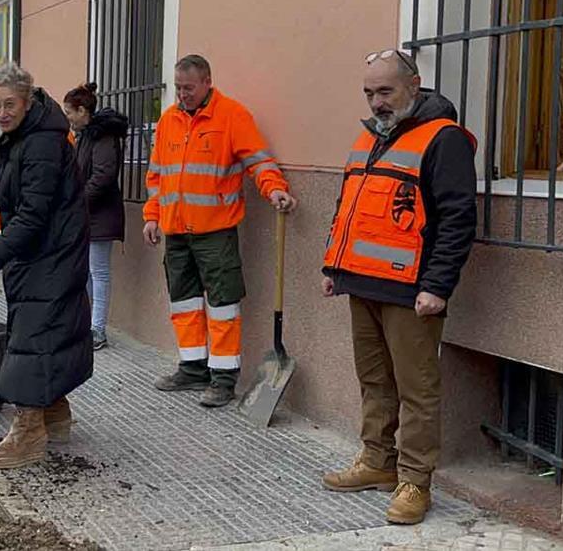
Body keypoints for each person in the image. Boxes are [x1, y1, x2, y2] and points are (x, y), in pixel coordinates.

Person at [320, 49, 477, 526]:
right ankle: (376, 462)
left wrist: (438, 285)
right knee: (374, 381)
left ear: (414, 84)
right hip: (362, 282)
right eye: (369, 93)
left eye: (385, 91)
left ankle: (415, 481)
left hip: (412, 291)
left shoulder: (443, 139)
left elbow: (457, 219)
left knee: (417, 389)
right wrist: (334, 265)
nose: (376, 102)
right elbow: (349, 204)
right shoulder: (370, 138)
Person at [143, 54, 297, 408]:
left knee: (222, 305)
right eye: (178, 88)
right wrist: (152, 216)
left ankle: (223, 379)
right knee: (184, 303)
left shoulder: (232, 116)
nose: (182, 95)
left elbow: (258, 161)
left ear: (207, 81)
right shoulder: (169, 121)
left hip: (216, 231)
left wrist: (275, 189)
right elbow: (156, 176)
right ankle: (193, 367)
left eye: (189, 88)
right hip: (176, 231)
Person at [0, 62, 92, 470]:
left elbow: (34, 213)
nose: (1, 113)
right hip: (41, 250)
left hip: (51, 250)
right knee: (43, 331)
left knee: (32, 334)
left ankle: (29, 428)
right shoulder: (21, 136)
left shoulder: (40, 142)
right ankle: (54, 411)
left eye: (9, 104)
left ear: (27, 102)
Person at [62, 82, 128, 350]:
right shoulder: (86, 136)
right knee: (87, 273)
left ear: (81, 110)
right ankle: (88, 325)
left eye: (69, 113)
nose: (68, 119)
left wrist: (78, 201)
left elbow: (102, 176)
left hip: (100, 215)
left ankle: (97, 330)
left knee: (98, 272)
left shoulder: (102, 136)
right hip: (89, 215)